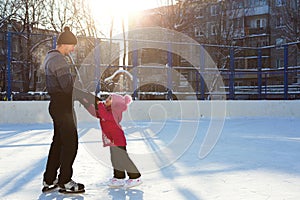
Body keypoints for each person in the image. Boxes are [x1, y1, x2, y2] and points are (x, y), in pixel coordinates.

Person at [42, 27, 85, 193]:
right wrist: (81, 88)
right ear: (64, 44)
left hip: (56, 105)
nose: (73, 49)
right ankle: (65, 181)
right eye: (72, 45)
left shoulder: (50, 57)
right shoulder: (59, 60)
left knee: (59, 143)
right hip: (63, 106)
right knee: (70, 143)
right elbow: (68, 88)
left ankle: (49, 179)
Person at [77, 90, 142, 189]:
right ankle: (119, 177)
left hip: (118, 139)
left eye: (110, 99)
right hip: (112, 140)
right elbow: (96, 113)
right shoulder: (106, 110)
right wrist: (86, 104)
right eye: (108, 98)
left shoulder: (115, 111)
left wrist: (100, 105)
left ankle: (135, 176)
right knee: (115, 159)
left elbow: (105, 116)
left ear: (116, 103)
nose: (107, 100)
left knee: (123, 158)